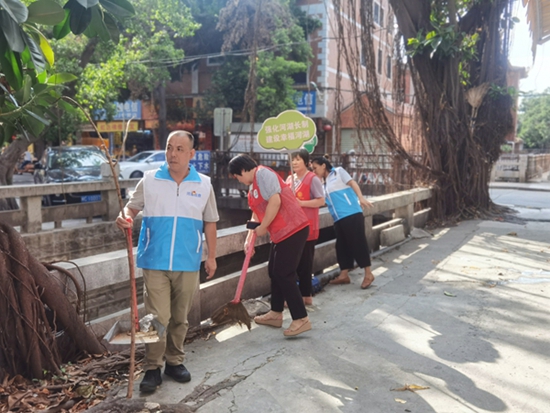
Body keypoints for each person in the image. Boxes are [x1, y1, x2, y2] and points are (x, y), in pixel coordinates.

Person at [116, 130, 219, 393]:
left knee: (180, 317)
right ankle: (152, 367)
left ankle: (174, 361)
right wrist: (125, 216)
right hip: (154, 259)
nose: (172, 154)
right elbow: (131, 208)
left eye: (179, 149)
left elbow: (210, 222)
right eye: (169, 148)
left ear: (191, 154)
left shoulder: (204, 184)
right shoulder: (150, 180)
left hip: (188, 260)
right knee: (156, 317)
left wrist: (211, 256)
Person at [228, 153, 312, 337]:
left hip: (293, 228)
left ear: (242, 170)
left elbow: (275, 201)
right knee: (274, 272)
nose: (238, 180)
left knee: (284, 273)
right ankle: (275, 313)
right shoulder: (252, 188)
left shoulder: (263, 174)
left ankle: (301, 318)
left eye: (237, 176)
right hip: (280, 234)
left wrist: (264, 227)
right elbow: (256, 214)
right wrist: (249, 238)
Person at [310, 156, 375, 289]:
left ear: (323, 166)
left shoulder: (338, 172)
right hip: (338, 218)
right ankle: (344, 274)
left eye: (315, 168)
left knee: (358, 243)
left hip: (351, 213)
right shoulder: (323, 184)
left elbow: (352, 183)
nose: (314, 171)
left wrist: (361, 198)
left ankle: (368, 274)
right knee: (341, 246)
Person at [285, 149, 325, 306]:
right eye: (292, 159)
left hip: (308, 226)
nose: (294, 162)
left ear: (306, 162)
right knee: (293, 263)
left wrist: (301, 203)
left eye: (298, 159)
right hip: (292, 227)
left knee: (305, 263)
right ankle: (303, 296)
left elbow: (321, 200)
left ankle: (304, 296)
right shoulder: (290, 179)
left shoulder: (312, 179)